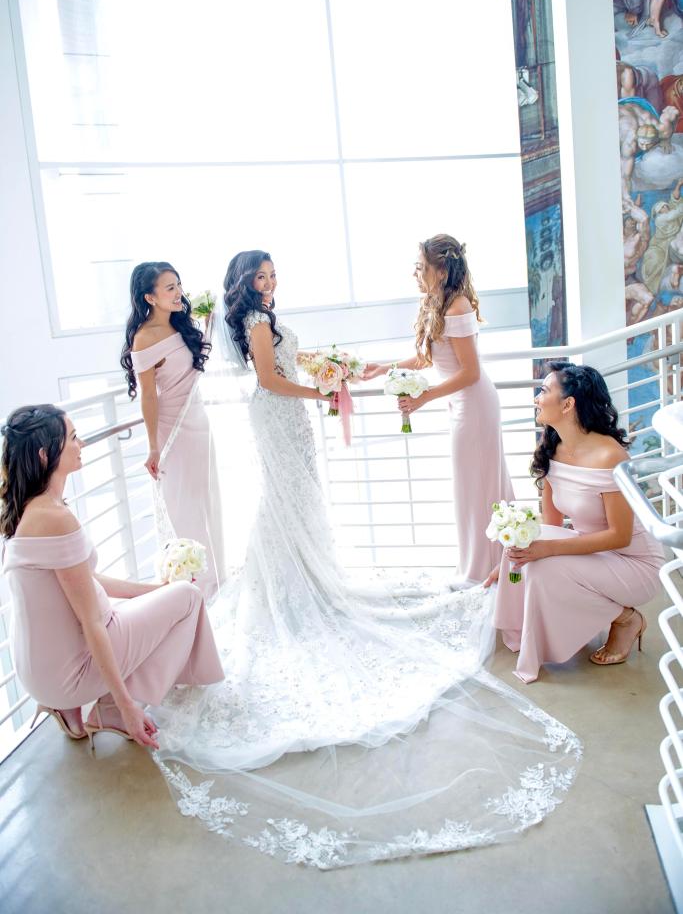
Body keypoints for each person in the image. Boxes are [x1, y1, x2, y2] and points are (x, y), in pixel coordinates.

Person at [147, 249, 581, 869]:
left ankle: (301, 581)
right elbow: (270, 380)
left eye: (273, 273)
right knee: (284, 500)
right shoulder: (257, 320)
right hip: (280, 412)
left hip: (287, 415)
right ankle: (288, 588)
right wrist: (321, 390)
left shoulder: (261, 317)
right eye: (260, 276)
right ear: (244, 282)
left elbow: (283, 367)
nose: (270, 281)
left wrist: (333, 371)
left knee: (295, 501)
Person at [0, 405, 223, 747]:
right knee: (190, 598)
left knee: (159, 600)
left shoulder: (29, 509)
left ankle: (71, 707)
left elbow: (87, 580)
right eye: (73, 437)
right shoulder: (54, 517)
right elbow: (92, 623)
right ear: (45, 455)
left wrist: (155, 589)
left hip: (40, 673)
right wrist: (126, 706)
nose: (82, 444)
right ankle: (110, 708)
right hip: (68, 674)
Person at [493, 363, 663, 684]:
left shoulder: (609, 457)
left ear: (568, 404)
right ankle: (530, 629)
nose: (536, 398)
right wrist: (514, 557)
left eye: (544, 391)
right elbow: (551, 524)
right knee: (526, 550)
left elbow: (620, 536)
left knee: (545, 563)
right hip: (595, 554)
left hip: (634, 563)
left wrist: (547, 551)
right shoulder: (551, 447)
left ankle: (626, 619)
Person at [363, 235, 514, 585]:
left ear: (442, 270)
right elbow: (427, 358)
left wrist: (423, 397)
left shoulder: (457, 307)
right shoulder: (438, 303)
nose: (415, 274)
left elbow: (471, 372)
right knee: (471, 489)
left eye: (421, 268)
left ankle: (485, 571)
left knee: (479, 490)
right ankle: (484, 566)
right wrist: (384, 368)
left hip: (475, 406)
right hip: (462, 405)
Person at [121, 261, 224, 599]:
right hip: (173, 430)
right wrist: (152, 447)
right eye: (170, 288)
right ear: (150, 297)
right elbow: (148, 396)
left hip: (199, 422)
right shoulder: (143, 338)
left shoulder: (182, 324)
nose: (179, 292)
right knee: (184, 506)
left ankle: (216, 578)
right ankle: (194, 589)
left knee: (207, 500)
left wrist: (208, 325)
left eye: (178, 284)